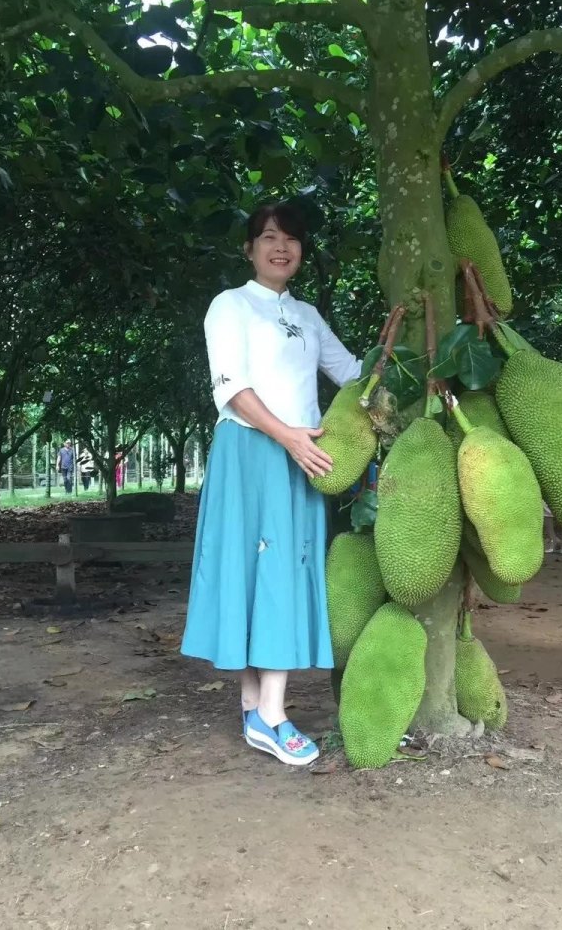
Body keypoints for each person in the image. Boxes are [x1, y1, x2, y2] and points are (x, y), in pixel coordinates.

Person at [181, 202, 362, 766]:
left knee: (284, 569)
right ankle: (270, 715)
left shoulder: (306, 315)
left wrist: (412, 362)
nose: (280, 247)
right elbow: (230, 386)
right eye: (267, 237)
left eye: (290, 239)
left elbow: (354, 372)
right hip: (253, 450)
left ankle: (259, 706)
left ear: (302, 252)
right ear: (249, 249)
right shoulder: (230, 305)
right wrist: (286, 435)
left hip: (300, 454)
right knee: (257, 569)